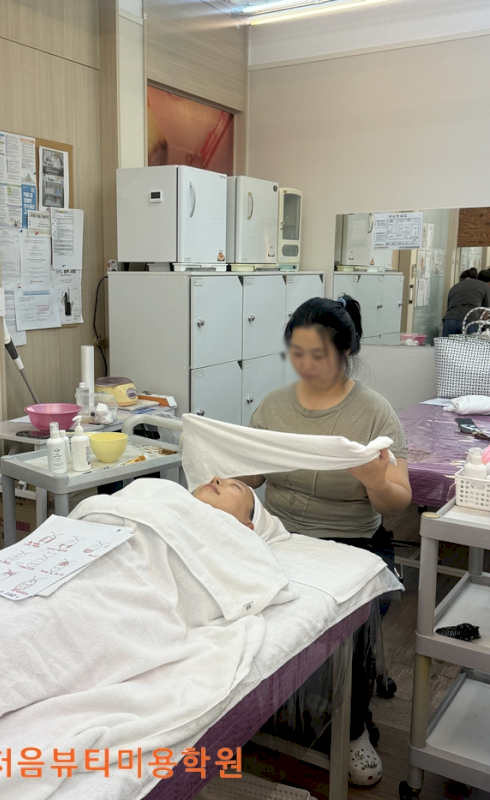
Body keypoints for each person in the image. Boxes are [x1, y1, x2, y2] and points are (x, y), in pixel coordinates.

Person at [239, 295, 411, 786]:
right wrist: (227, 465)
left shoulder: (374, 413)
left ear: (346, 352)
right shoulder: (274, 405)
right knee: (243, 605)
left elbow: (398, 503)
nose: (306, 365)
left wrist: (374, 480)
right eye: (297, 352)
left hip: (351, 541)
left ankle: (353, 727)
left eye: (319, 355)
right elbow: (253, 477)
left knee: (347, 619)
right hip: (280, 534)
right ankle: (258, 708)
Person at [442, 268, 490, 336]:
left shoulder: (455, 287)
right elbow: (485, 311)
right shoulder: (484, 286)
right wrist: (483, 329)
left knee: (447, 342)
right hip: (470, 320)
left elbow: (449, 307)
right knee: (469, 342)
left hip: (450, 319)